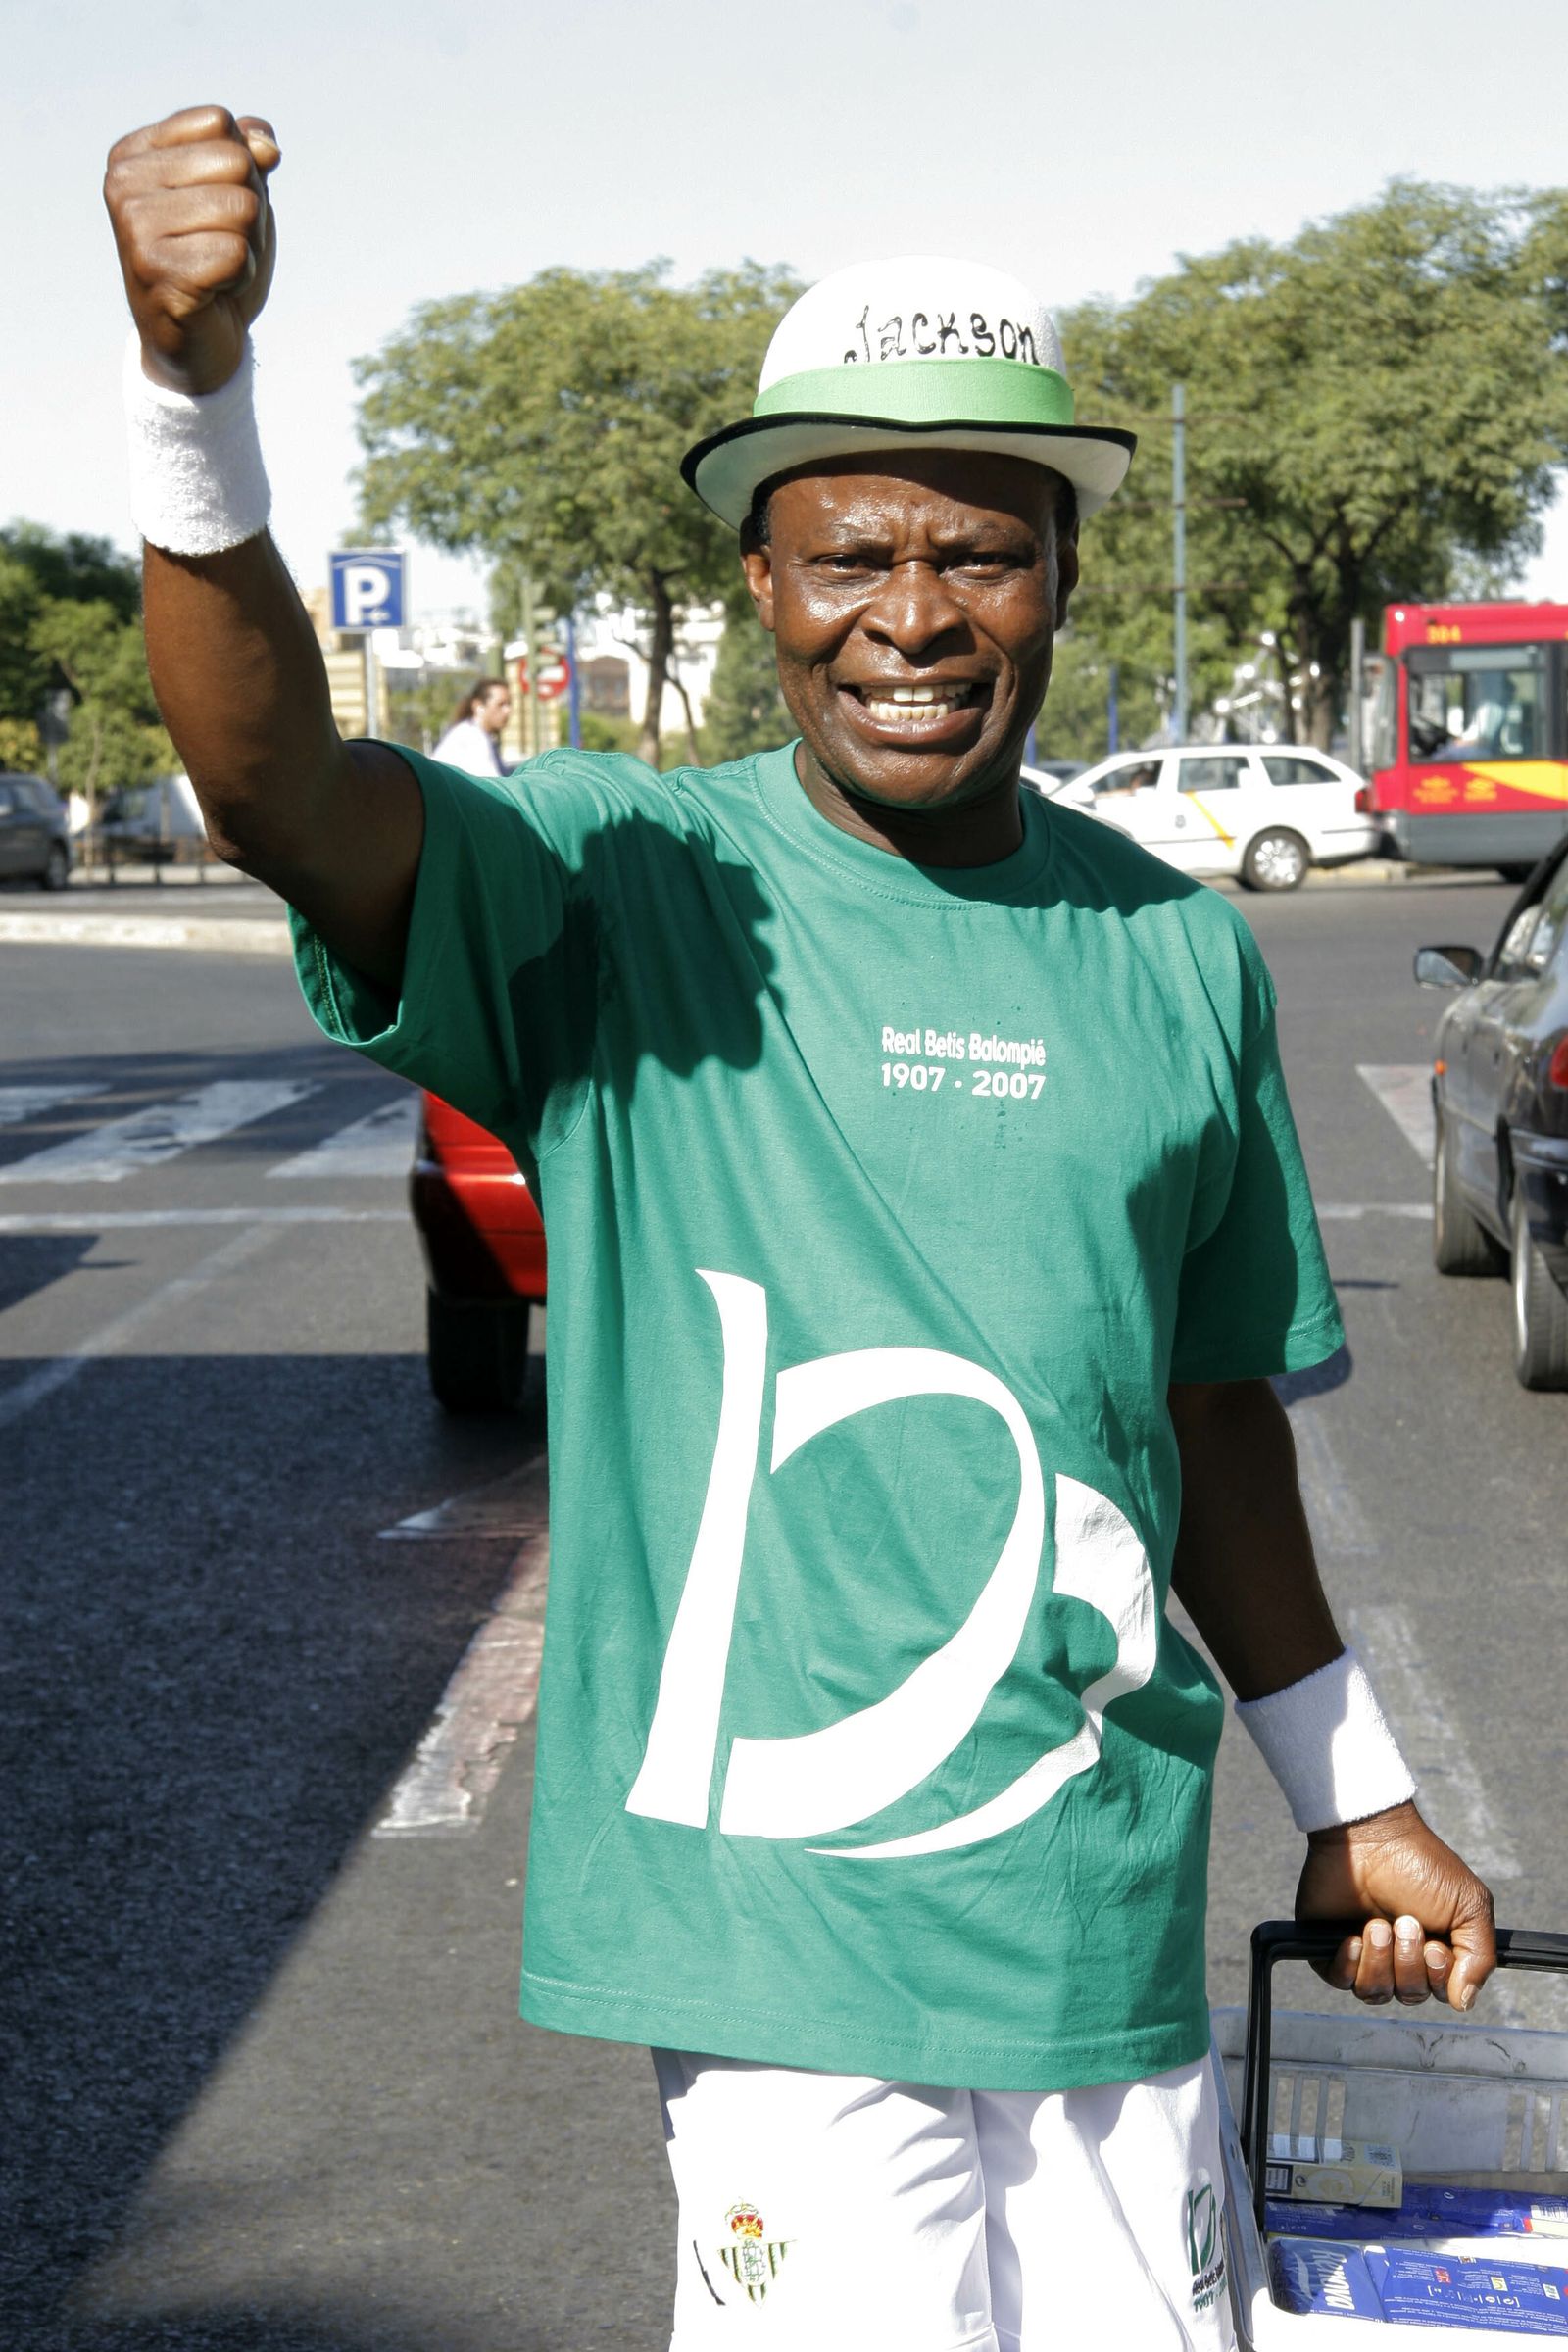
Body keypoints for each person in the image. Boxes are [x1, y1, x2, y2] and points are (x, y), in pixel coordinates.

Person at [107, 105, 1497, 2352]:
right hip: (779, 1944)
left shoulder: (1174, 947)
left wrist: (1351, 1792)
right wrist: (193, 404)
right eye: (849, 554)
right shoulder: (623, 881)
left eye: (981, 552)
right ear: (758, 579)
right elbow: (281, 793)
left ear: (1058, 566)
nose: (913, 616)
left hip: (1099, 1918)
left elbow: (1202, 1395)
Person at [431, 675, 513, 776]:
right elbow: (493, 786)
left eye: (509, 704)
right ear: (478, 706)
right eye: (501, 704)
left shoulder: (473, 733)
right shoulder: (472, 738)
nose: (507, 711)